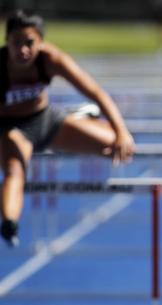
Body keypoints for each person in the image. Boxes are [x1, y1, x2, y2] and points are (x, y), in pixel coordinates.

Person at [0, 10, 135, 247]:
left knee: (112, 145)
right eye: (16, 43)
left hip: (47, 121)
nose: (23, 50)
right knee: (15, 170)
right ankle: (9, 225)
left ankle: (78, 118)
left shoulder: (51, 59)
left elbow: (96, 92)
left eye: (29, 43)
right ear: (6, 42)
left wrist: (122, 131)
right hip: (12, 129)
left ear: (41, 43)